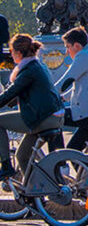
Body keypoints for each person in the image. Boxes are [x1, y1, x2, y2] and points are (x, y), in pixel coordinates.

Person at [0, 34, 65, 179]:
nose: (11, 55)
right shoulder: (37, 65)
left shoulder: (29, 70)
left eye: (11, 51)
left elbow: (11, 92)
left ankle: (6, 166)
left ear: (18, 53)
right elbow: (18, 94)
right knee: (22, 156)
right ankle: (35, 190)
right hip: (51, 116)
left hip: (43, 118)